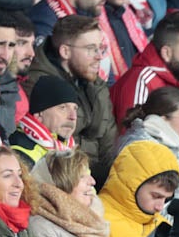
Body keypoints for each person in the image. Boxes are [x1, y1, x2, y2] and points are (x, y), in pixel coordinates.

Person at [23, 16, 116, 171]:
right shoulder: (38, 84)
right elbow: (56, 145)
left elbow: (109, 142)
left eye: (100, 48)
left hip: (95, 177)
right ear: (65, 51)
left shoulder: (96, 83)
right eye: (90, 49)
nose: (99, 56)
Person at [28, 150, 127, 237]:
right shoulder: (41, 225)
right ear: (59, 184)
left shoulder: (92, 220)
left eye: (89, 174)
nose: (92, 181)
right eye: (82, 176)